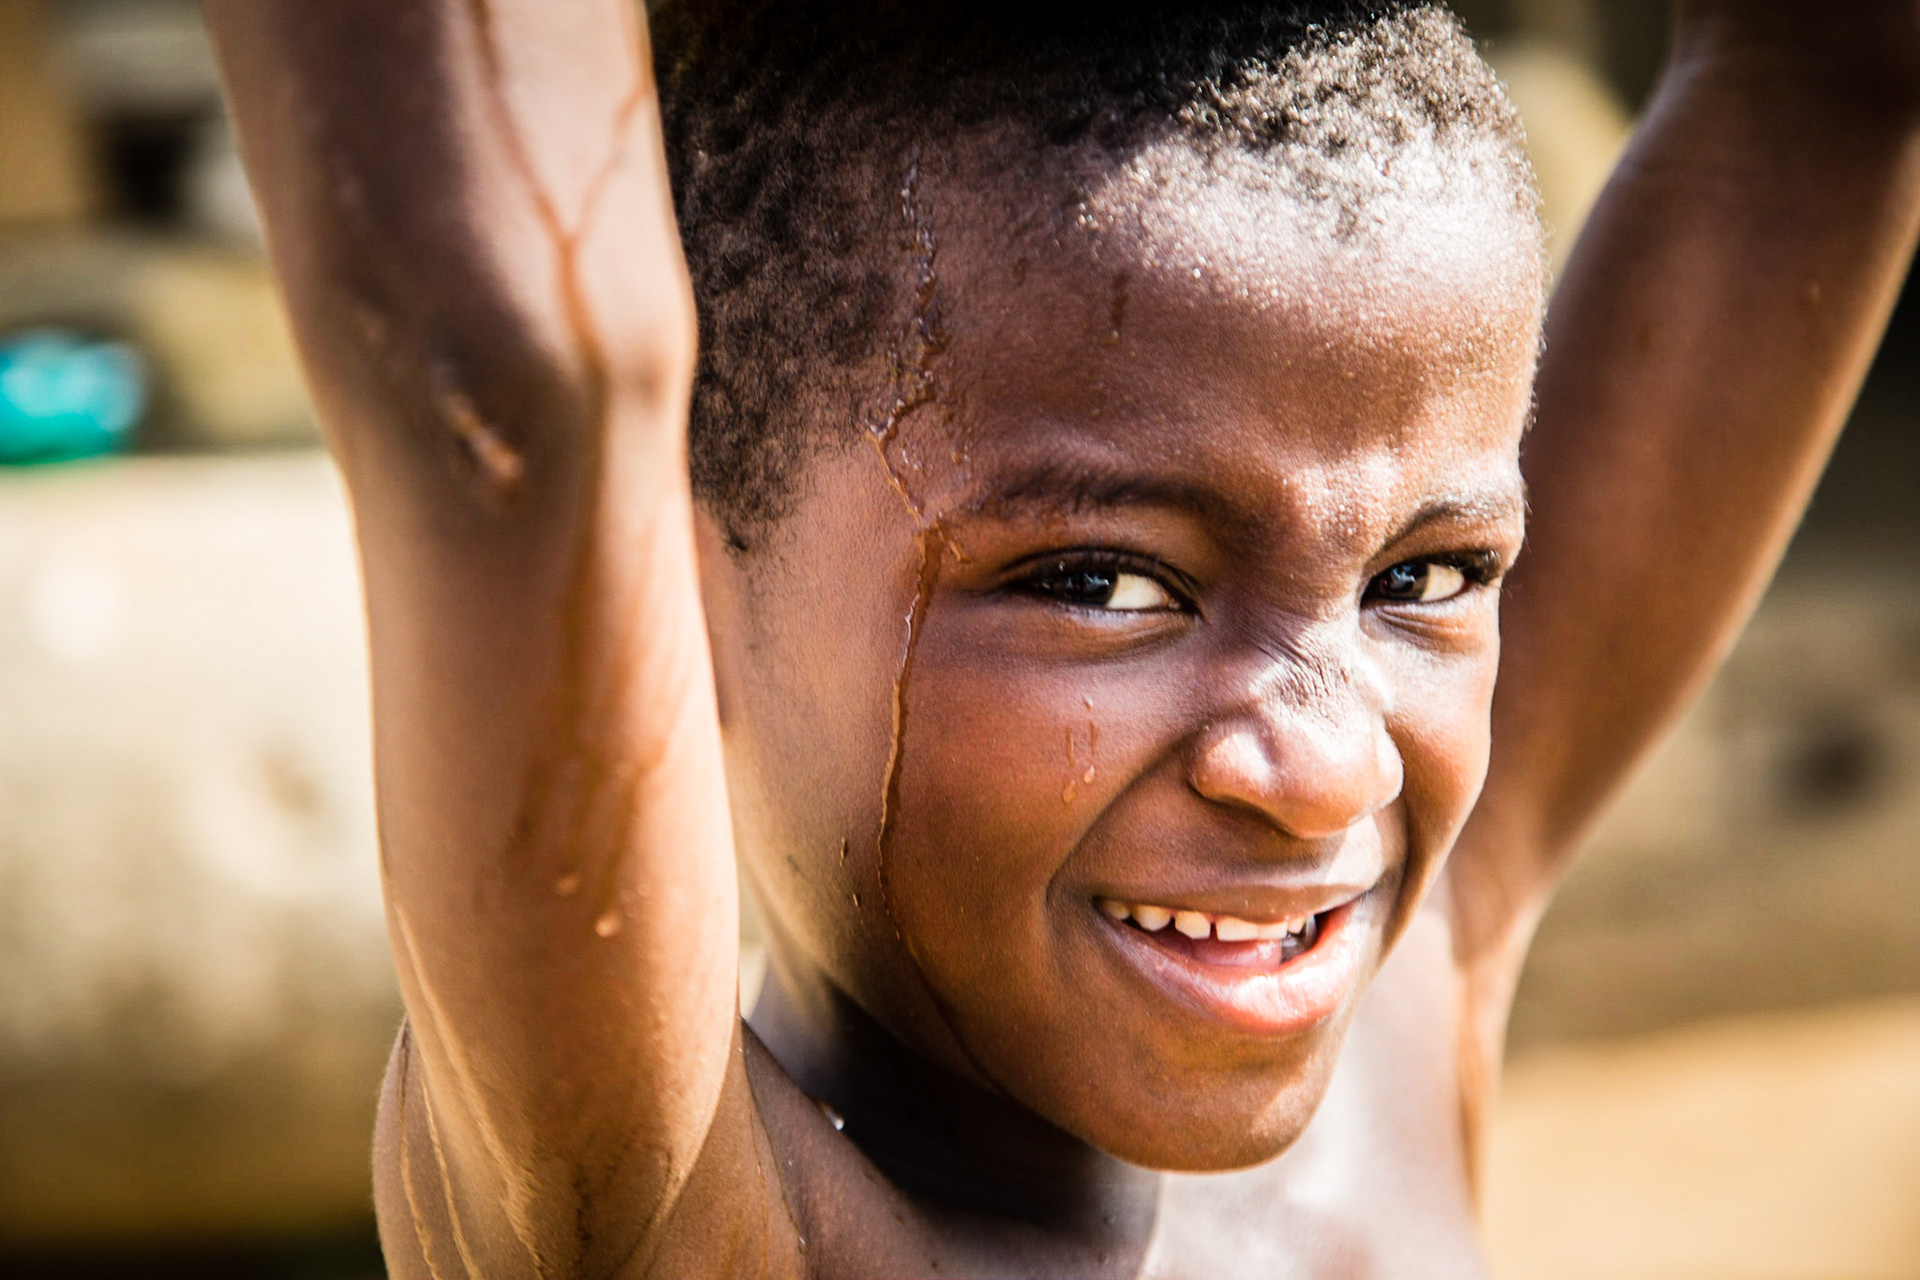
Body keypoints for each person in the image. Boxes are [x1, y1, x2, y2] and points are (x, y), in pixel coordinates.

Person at [204, 0, 1920, 1274]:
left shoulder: (1389, 1013)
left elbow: (1834, 76)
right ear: (682, 581)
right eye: (1105, 583)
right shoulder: (666, 1213)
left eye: (1427, 579)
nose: (1321, 772)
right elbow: (505, 375)